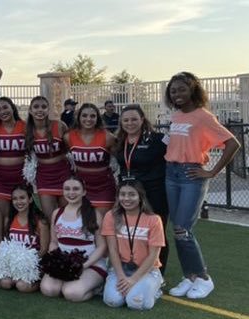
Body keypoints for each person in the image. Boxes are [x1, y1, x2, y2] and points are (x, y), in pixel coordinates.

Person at [163, 72, 240, 299]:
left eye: (182, 89)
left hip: (191, 175)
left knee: (183, 230)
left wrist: (212, 171)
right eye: (173, 90)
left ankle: (204, 278)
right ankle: (190, 277)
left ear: (193, 90)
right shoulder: (176, 116)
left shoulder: (202, 116)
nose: (177, 94)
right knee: (178, 230)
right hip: (171, 174)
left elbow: (232, 143)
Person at [113, 104, 169, 274]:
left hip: (153, 194)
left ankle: (157, 274)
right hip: (128, 196)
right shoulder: (119, 142)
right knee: (131, 232)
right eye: (126, 120)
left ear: (142, 119)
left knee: (156, 235)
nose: (130, 123)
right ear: (121, 122)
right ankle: (133, 268)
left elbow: (180, 152)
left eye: (134, 119)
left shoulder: (159, 139)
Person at [41, 177, 107, 302]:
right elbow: (54, 241)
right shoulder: (57, 213)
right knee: (49, 290)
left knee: (72, 293)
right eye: (67, 189)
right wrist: (56, 261)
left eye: (76, 189)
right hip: (64, 263)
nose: (71, 193)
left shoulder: (94, 214)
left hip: (90, 263)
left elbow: (102, 246)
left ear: (84, 192)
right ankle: (72, 283)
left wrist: (83, 266)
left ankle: (98, 287)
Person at [102, 181, 165, 311]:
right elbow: (112, 250)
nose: (126, 199)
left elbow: (154, 255)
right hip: (121, 268)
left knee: (136, 303)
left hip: (147, 270)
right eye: (122, 194)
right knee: (112, 301)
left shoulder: (153, 219)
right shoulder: (111, 216)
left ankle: (155, 288)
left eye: (132, 194)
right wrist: (121, 277)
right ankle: (137, 289)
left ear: (140, 197)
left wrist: (133, 280)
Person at [65, 103, 117, 215]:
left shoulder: (108, 137)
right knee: (82, 225)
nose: (88, 119)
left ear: (98, 118)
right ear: (78, 117)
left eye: (93, 116)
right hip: (81, 187)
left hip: (104, 186)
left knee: (100, 226)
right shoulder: (69, 137)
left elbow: (119, 158)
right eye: (84, 115)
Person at [0, 185, 49, 292]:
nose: (18, 202)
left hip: (34, 263)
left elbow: (44, 249)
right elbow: (6, 246)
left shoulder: (40, 221)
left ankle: (39, 281)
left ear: (30, 199)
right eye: (15, 199)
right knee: (5, 283)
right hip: (14, 263)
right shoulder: (9, 219)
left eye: (22, 198)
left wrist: (28, 263)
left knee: (21, 286)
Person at [27, 96, 71, 219]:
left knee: (66, 215)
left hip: (63, 173)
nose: (40, 110)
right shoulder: (28, 130)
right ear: (30, 110)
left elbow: (71, 148)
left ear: (48, 109)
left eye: (44, 107)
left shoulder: (60, 125)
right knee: (50, 216)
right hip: (44, 176)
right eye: (36, 107)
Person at [0, 97, 26, 221]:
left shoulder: (25, 126)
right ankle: (1, 239)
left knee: (20, 215)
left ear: (12, 108)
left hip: (20, 176)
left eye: (5, 107)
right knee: (2, 217)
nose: (2, 112)